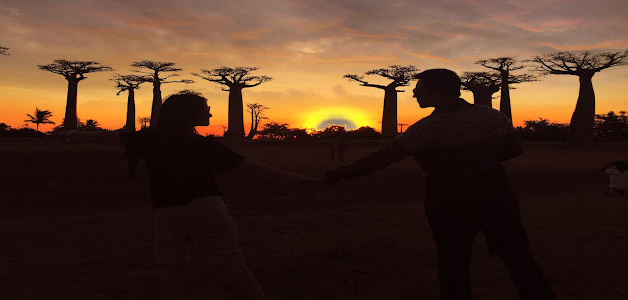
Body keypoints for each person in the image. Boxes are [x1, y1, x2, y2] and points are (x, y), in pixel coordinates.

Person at [326, 69, 554, 300]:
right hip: (497, 196)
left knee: (452, 263)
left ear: (439, 92)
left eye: (419, 89)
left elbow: (383, 157)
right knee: (519, 258)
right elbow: (515, 148)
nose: (414, 94)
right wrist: (480, 164)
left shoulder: (426, 128)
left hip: (448, 202)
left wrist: (336, 175)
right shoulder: (492, 116)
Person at [120, 92, 315, 300]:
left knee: (170, 270)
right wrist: (302, 179)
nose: (210, 115)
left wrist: (82, 134)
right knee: (232, 264)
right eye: (206, 110)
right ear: (189, 115)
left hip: (165, 211)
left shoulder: (147, 139)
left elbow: (113, 135)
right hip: (205, 208)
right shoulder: (203, 145)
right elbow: (250, 168)